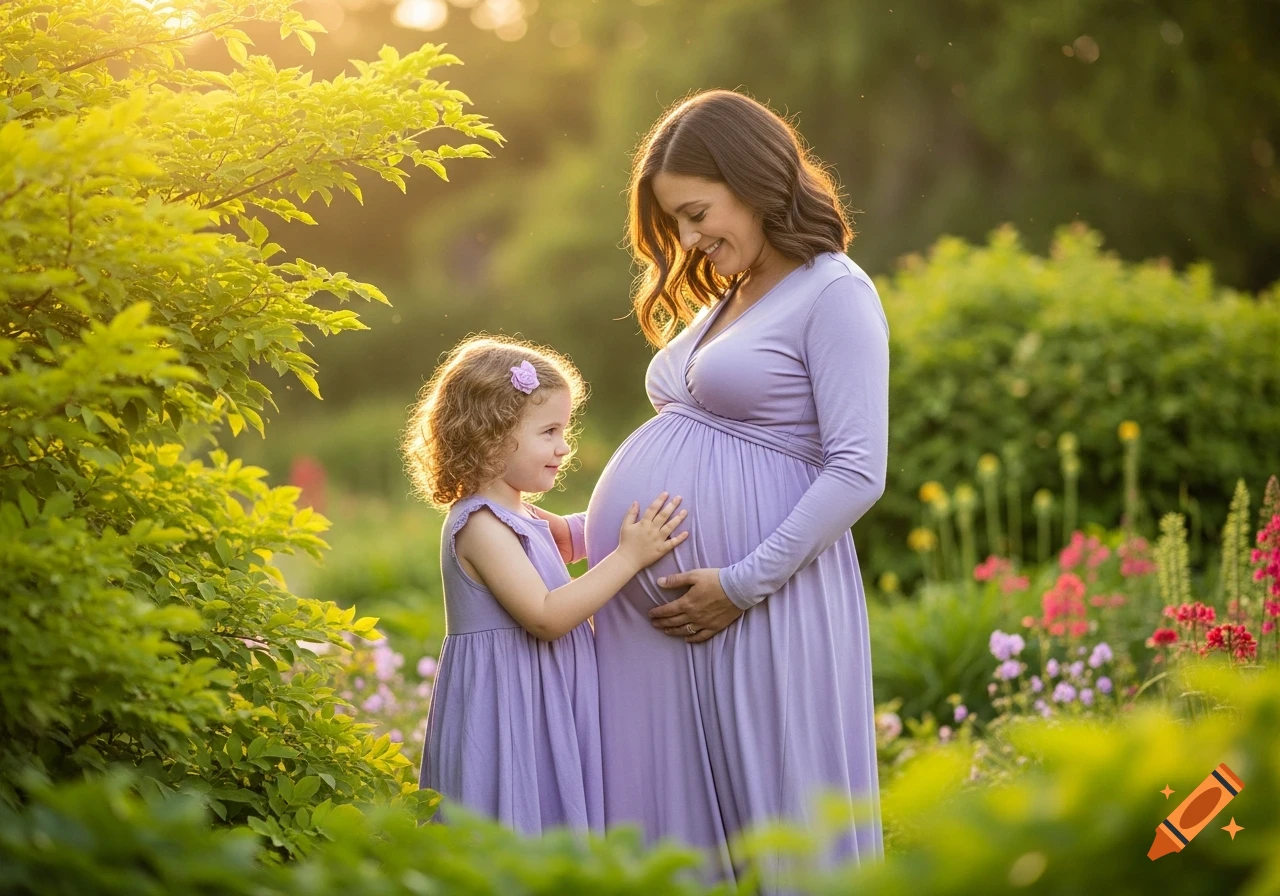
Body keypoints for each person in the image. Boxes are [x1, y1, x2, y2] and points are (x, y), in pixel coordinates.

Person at [542, 90, 889, 887]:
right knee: (680, 846)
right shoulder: (727, 297)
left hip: (764, 603)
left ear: (756, 180)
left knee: (778, 831)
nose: (691, 240)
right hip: (674, 624)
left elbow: (857, 469)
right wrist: (586, 529)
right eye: (677, 226)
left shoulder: (833, 292)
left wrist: (741, 583)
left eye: (697, 214)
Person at [400, 334, 689, 835]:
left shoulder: (520, 513)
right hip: (507, 712)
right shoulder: (480, 525)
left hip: (540, 700)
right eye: (549, 431)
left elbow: (572, 539)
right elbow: (546, 616)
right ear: (490, 436)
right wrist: (629, 556)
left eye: (565, 429)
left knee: (548, 820)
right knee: (512, 824)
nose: (564, 446)